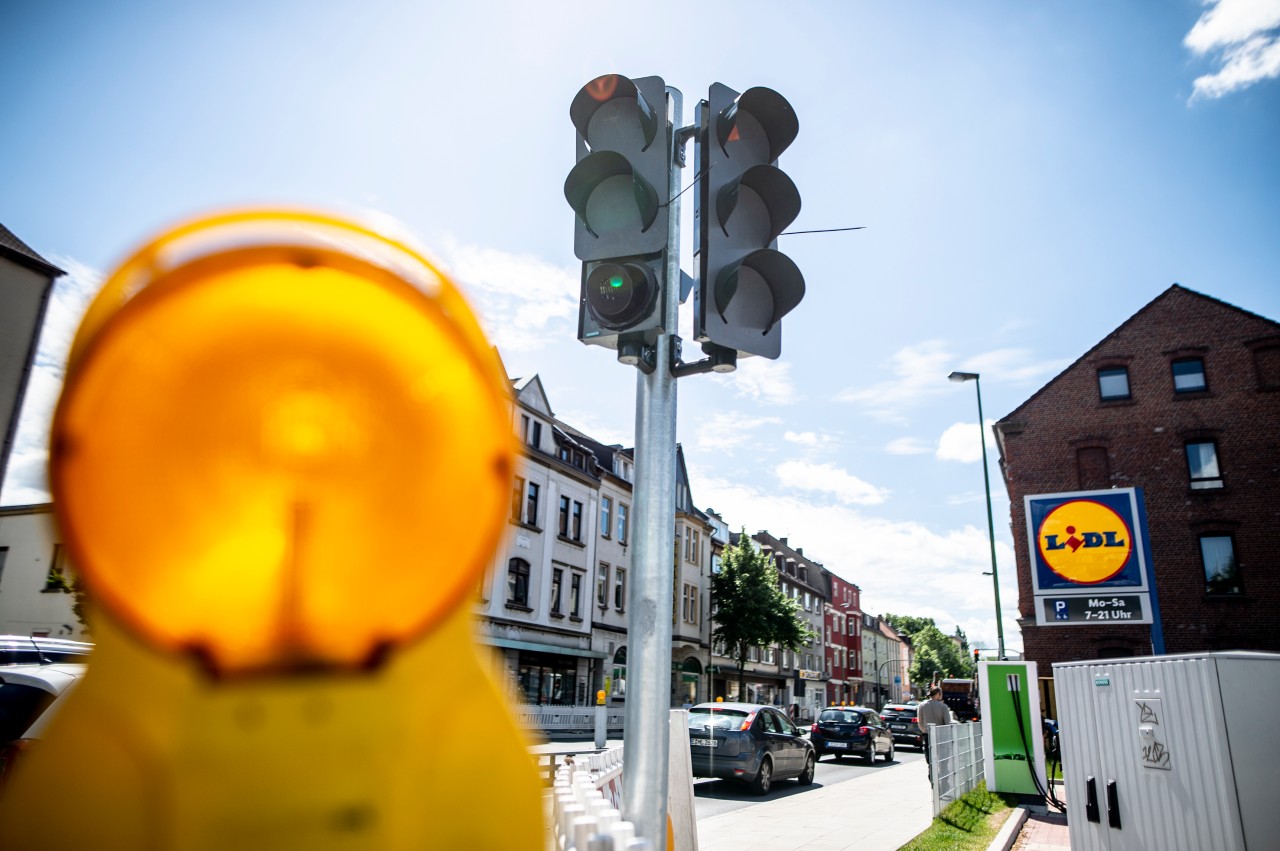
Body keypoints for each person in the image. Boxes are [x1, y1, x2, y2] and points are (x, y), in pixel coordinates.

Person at [917, 686, 951, 784]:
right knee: (943, 761)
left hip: (928, 736)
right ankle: (944, 782)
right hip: (941, 737)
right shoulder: (943, 707)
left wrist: (925, 731)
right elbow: (947, 724)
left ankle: (932, 779)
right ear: (938, 694)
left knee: (931, 760)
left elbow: (920, 722)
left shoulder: (922, 706)